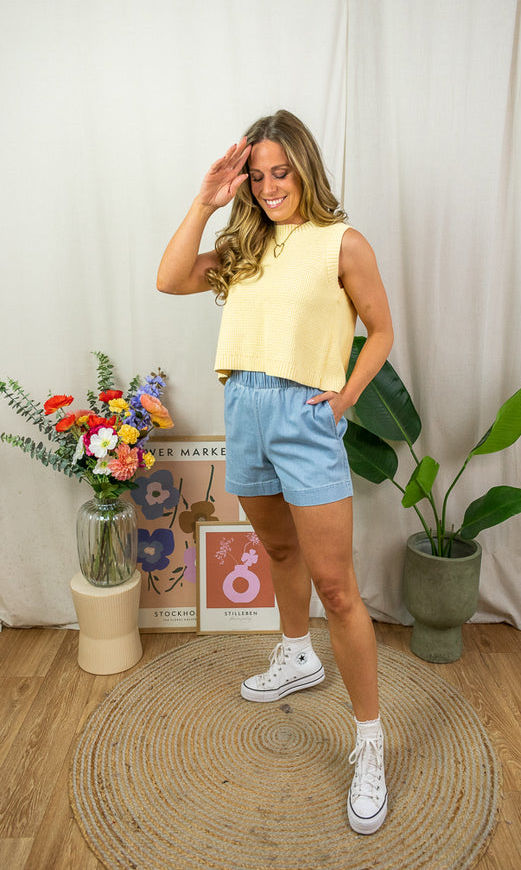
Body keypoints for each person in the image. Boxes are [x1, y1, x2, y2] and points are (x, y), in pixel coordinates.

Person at [157, 109, 394, 835]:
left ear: (304, 167)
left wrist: (345, 398)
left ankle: (370, 741)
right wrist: (207, 199)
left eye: (279, 173)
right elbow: (169, 278)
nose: (267, 187)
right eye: (256, 177)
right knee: (280, 550)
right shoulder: (245, 244)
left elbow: (381, 329)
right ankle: (296, 655)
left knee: (338, 587)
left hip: (304, 413)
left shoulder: (342, 243)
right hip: (245, 407)